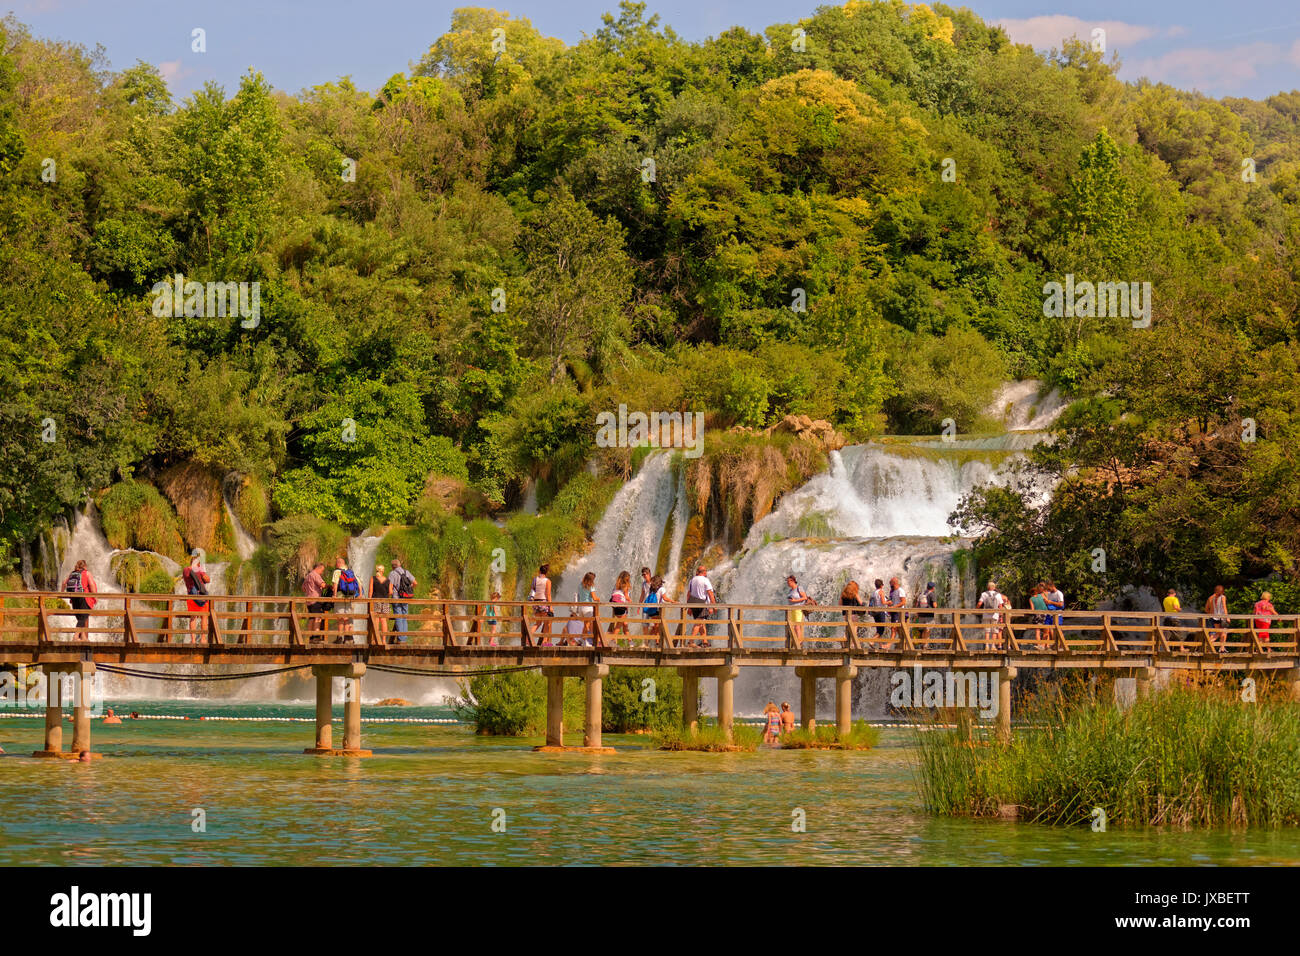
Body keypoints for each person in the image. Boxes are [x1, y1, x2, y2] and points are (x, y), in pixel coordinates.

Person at [63, 559, 98, 642]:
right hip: (84, 597)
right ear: (85, 566)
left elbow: (64, 583)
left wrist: (62, 593)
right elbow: (92, 585)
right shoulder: (86, 573)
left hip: (74, 598)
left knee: (80, 618)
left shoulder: (72, 573)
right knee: (84, 617)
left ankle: (83, 637)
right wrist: (95, 596)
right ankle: (75, 636)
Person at [331, 557, 362, 644]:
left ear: (338, 564)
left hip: (340, 596)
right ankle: (348, 638)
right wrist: (360, 594)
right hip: (350, 597)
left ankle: (340, 637)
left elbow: (336, 583)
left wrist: (334, 595)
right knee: (347, 617)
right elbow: (359, 583)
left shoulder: (337, 572)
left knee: (341, 618)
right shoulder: (350, 572)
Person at [181, 551, 210, 644]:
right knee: (203, 617)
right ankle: (202, 639)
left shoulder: (186, 570)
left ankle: (194, 640)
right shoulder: (195, 570)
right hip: (201, 597)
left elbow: (186, 576)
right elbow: (207, 579)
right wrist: (200, 571)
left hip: (192, 596)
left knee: (194, 617)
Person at [687, 565, 716, 645]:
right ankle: (691, 641)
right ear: (704, 572)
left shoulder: (692, 580)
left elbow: (688, 594)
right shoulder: (705, 580)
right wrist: (714, 606)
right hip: (701, 604)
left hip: (693, 604)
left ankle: (705, 641)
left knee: (701, 622)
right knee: (699, 623)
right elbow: (710, 594)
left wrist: (689, 607)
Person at [388, 559, 416, 641]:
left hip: (396, 598)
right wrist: (408, 589)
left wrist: (388, 597)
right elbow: (415, 583)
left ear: (393, 566)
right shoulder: (406, 572)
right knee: (404, 617)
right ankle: (404, 637)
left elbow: (390, 588)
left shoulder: (392, 573)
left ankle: (401, 638)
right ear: (399, 565)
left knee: (398, 617)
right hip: (405, 597)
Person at [303, 562, 327, 642]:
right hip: (316, 599)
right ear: (318, 568)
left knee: (311, 618)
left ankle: (311, 637)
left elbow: (303, 588)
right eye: (322, 570)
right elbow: (323, 585)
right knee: (318, 617)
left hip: (309, 600)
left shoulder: (308, 576)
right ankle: (316, 636)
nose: (322, 572)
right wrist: (328, 586)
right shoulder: (315, 575)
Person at [530, 564, 554, 642]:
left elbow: (532, 590)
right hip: (543, 603)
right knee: (547, 623)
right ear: (546, 572)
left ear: (539, 571)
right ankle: (544, 642)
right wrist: (550, 606)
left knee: (537, 623)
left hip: (535, 603)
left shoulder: (535, 579)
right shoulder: (547, 581)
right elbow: (548, 594)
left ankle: (528, 638)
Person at [977, 580, 1002, 650]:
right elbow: (1000, 606)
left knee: (987, 631)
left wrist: (976, 610)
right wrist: (1001, 615)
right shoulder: (998, 595)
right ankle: (993, 646)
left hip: (986, 615)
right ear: (994, 587)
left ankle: (987, 645)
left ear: (988, 587)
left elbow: (979, 604)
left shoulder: (984, 594)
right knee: (994, 631)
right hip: (995, 615)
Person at [786, 574, 811, 644]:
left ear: (793, 581)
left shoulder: (799, 588)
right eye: (787, 582)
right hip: (792, 609)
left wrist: (794, 601)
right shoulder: (791, 590)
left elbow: (805, 597)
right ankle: (797, 640)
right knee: (794, 626)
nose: (787, 583)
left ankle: (799, 641)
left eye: (788, 582)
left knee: (797, 625)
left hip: (798, 609)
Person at [609, 570, 632, 643]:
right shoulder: (625, 585)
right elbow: (626, 597)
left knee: (625, 624)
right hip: (621, 606)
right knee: (619, 624)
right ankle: (613, 640)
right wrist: (630, 601)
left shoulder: (616, 585)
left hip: (615, 606)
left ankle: (630, 641)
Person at [1204, 585, 1229, 652]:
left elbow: (1206, 610)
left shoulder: (1211, 598)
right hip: (1221, 617)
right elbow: (1224, 607)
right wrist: (1227, 617)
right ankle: (1221, 648)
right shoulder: (1222, 597)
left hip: (1213, 618)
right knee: (1223, 632)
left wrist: (1210, 614)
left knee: (1216, 633)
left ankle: (1208, 647)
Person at [370, 564, 391, 639]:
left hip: (375, 600)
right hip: (385, 601)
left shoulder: (373, 578)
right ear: (383, 571)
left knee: (376, 619)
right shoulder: (388, 580)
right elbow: (390, 592)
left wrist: (369, 601)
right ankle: (384, 640)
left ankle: (376, 638)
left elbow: (370, 591)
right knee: (383, 620)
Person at [915, 581, 938, 647]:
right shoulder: (932, 594)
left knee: (922, 630)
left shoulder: (921, 594)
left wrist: (917, 614)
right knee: (927, 630)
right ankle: (925, 645)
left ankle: (922, 644)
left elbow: (917, 605)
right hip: (929, 615)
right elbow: (935, 605)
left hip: (921, 615)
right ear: (933, 588)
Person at [575, 572, 598, 641]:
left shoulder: (580, 585)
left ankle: (582, 640)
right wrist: (598, 599)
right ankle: (588, 640)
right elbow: (594, 598)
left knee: (585, 624)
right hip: (588, 607)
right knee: (588, 625)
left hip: (581, 607)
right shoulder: (591, 586)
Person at [867, 579, 888, 647]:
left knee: (878, 629)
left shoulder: (874, 593)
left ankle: (880, 645)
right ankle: (871, 640)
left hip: (875, 612)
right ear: (882, 585)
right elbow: (883, 602)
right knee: (881, 630)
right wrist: (889, 602)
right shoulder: (881, 592)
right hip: (881, 612)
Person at [887, 576, 907, 644]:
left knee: (893, 628)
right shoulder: (893, 591)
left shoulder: (900, 590)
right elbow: (894, 601)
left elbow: (903, 602)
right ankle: (901, 643)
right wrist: (889, 603)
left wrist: (894, 607)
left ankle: (888, 645)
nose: (890, 585)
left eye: (890, 583)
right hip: (894, 612)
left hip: (899, 612)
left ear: (894, 583)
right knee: (896, 629)